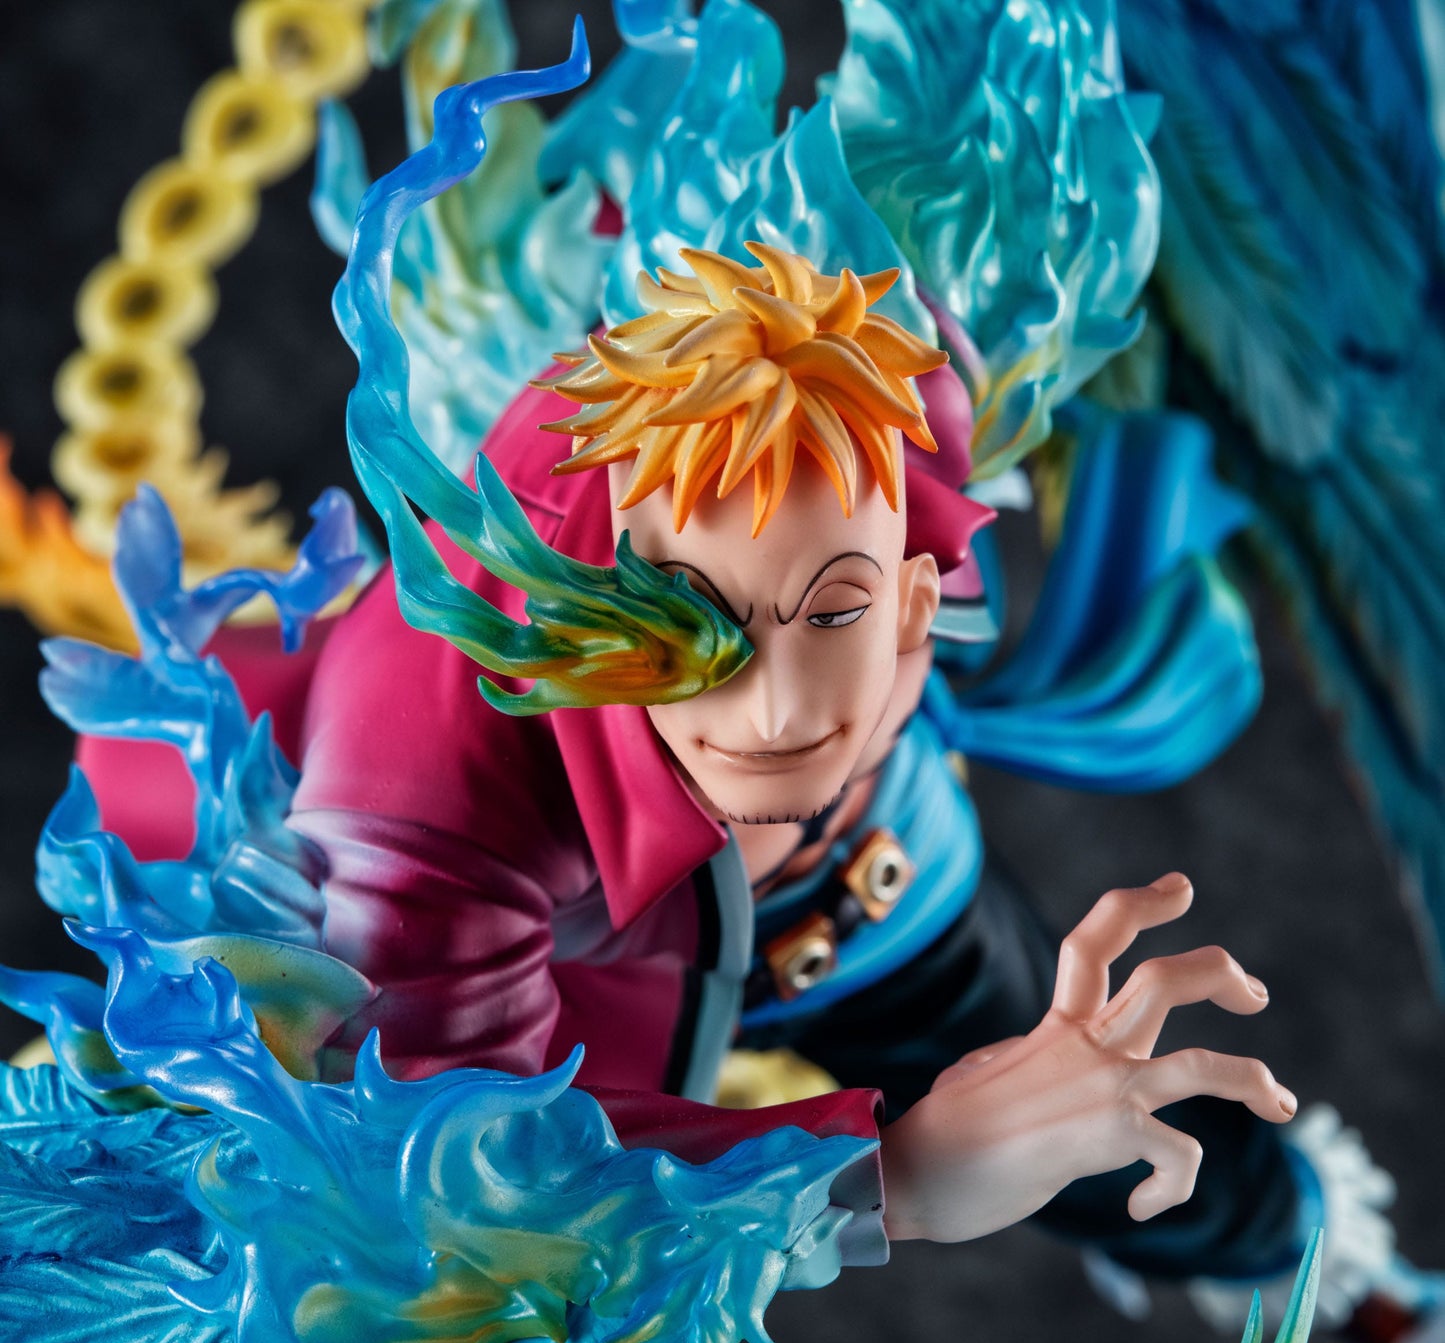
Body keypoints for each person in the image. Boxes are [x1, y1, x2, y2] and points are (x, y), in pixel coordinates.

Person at [287, 242, 1299, 1263]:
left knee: (1142, 1152)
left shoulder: (885, 395)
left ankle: (1302, 1240)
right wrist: (888, 1180)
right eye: (694, 621)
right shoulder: (425, 794)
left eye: (833, 612)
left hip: (892, 873)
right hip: (592, 983)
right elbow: (469, 1177)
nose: (771, 714)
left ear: (908, 599)